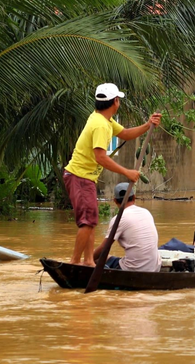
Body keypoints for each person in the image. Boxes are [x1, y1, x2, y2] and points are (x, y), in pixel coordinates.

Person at [64, 83, 161, 266]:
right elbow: (100, 157)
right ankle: (75, 262)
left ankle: (89, 262)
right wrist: (127, 172)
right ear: (115, 101)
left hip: (85, 177)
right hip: (79, 176)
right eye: (119, 100)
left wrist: (148, 125)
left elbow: (124, 133)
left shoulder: (103, 119)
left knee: (91, 220)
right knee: (87, 221)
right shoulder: (100, 124)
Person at [93, 183, 160, 272]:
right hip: (155, 268)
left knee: (96, 258)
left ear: (115, 201)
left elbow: (104, 248)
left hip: (133, 269)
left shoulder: (118, 219)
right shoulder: (146, 212)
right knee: (108, 258)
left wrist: (88, 259)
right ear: (134, 197)